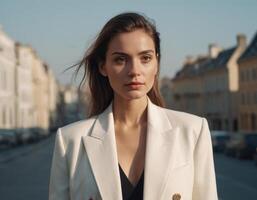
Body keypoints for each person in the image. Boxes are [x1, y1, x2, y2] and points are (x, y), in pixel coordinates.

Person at [49, 12, 218, 200]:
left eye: (145, 58)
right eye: (120, 59)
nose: (134, 71)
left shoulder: (192, 131)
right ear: (103, 66)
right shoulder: (71, 140)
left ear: (156, 63)